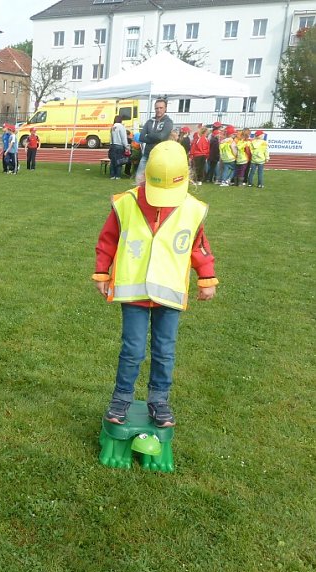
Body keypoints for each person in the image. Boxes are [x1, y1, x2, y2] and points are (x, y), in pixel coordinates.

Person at [93, 140, 218, 428]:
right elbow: (108, 239)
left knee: (164, 350)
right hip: (134, 292)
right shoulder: (125, 203)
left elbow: (198, 246)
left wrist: (207, 277)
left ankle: (159, 400)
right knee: (132, 350)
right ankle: (121, 398)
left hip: (169, 293)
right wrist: (102, 272)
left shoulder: (192, 209)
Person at [135, 98, 174, 183]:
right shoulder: (149, 121)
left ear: (165, 108)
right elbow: (141, 137)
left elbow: (162, 137)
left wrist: (148, 136)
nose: (158, 110)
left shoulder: (168, 122)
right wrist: (155, 137)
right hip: (146, 155)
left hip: (160, 157)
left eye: (161, 108)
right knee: (139, 180)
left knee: (155, 182)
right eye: (157, 108)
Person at [109, 115, 128, 180]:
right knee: (119, 161)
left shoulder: (112, 127)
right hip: (119, 145)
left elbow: (110, 138)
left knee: (112, 161)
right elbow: (123, 137)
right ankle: (118, 175)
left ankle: (112, 175)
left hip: (112, 145)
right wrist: (126, 146)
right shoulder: (121, 127)